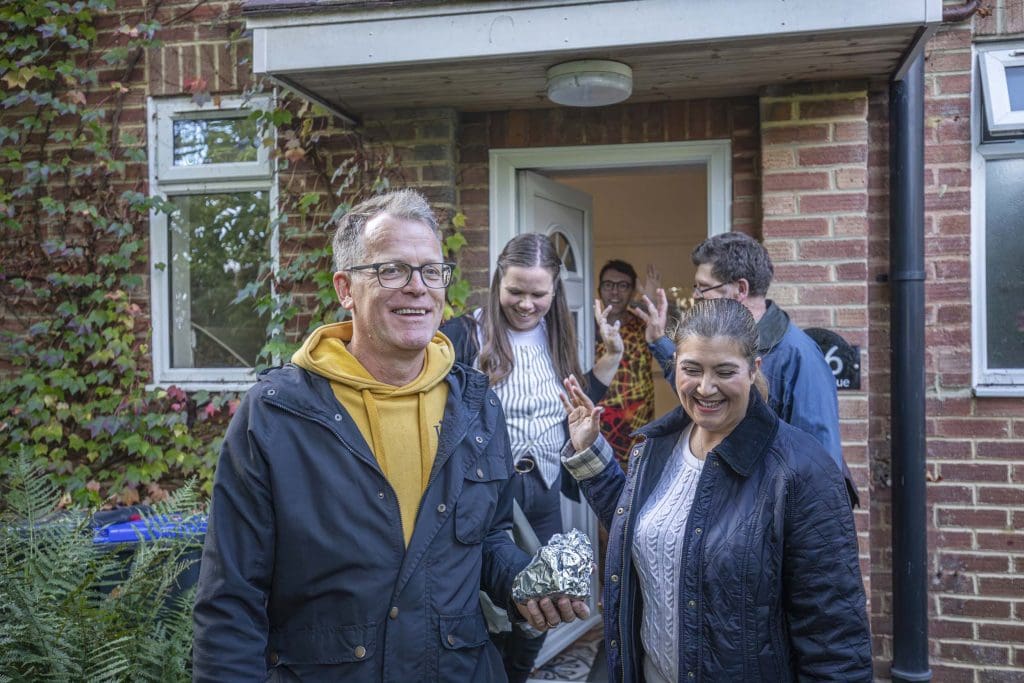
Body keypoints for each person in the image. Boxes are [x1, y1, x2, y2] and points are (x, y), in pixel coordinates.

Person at [192, 190, 587, 683]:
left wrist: (524, 583)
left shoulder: (476, 403)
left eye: (431, 271)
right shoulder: (277, 415)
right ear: (345, 288)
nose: (417, 288)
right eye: (392, 270)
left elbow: (488, 536)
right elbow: (231, 596)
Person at [560, 298, 873, 682]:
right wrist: (590, 452)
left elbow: (834, 638)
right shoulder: (656, 446)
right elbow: (643, 530)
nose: (706, 388)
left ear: (753, 368)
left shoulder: (801, 469)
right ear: (675, 365)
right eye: (691, 369)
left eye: (724, 371)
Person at [441, 232, 622, 683]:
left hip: (542, 493)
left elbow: (572, 404)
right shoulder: (464, 336)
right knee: (487, 604)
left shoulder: (556, 336)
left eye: (538, 293)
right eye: (515, 291)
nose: (525, 303)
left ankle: (515, 677)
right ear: (498, 281)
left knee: (544, 603)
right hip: (485, 496)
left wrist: (613, 357)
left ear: (554, 290)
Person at [644, 231, 856, 502]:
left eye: (703, 287)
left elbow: (819, 463)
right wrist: (658, 342)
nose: (696, 295)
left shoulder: (798, 356)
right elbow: (704, 393)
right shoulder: (733, 343)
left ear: (740, 290)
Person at [594, 260, 664, 469]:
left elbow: (674, 342)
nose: (614, 292)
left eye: (623, 285)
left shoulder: (644, 323)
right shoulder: (587, 325)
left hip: (637, 428)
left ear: (632, 290)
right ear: (599, 289)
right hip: (598, 429)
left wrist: (650, 301)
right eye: (608, 285)